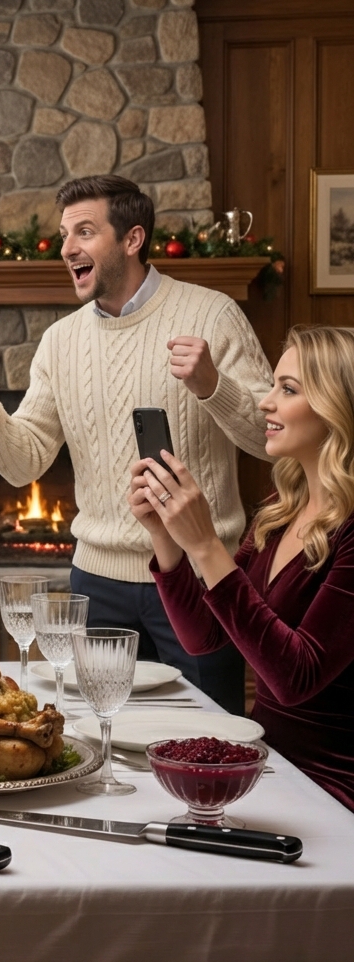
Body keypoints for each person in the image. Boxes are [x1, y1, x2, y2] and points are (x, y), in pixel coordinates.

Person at [0, 174, 274, 713]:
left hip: (200, 576)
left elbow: (270, 440)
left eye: (85, 231)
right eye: (65, 233)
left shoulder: (213, 315)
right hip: (94, 583)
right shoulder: (61, 341)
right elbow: (21, 461)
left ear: (132, 239)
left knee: (209, 737)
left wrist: (214, 386)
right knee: (100, 739)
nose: (68, 247)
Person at [131, 325, 354, 810]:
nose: (265, 404)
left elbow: (296, 677)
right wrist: (165, 536)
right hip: (271, 769)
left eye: (288, 389)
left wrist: (207, 543)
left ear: (338, 407)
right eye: (273, 386)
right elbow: (206, 639)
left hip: (334, 791)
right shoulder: (281, 509)